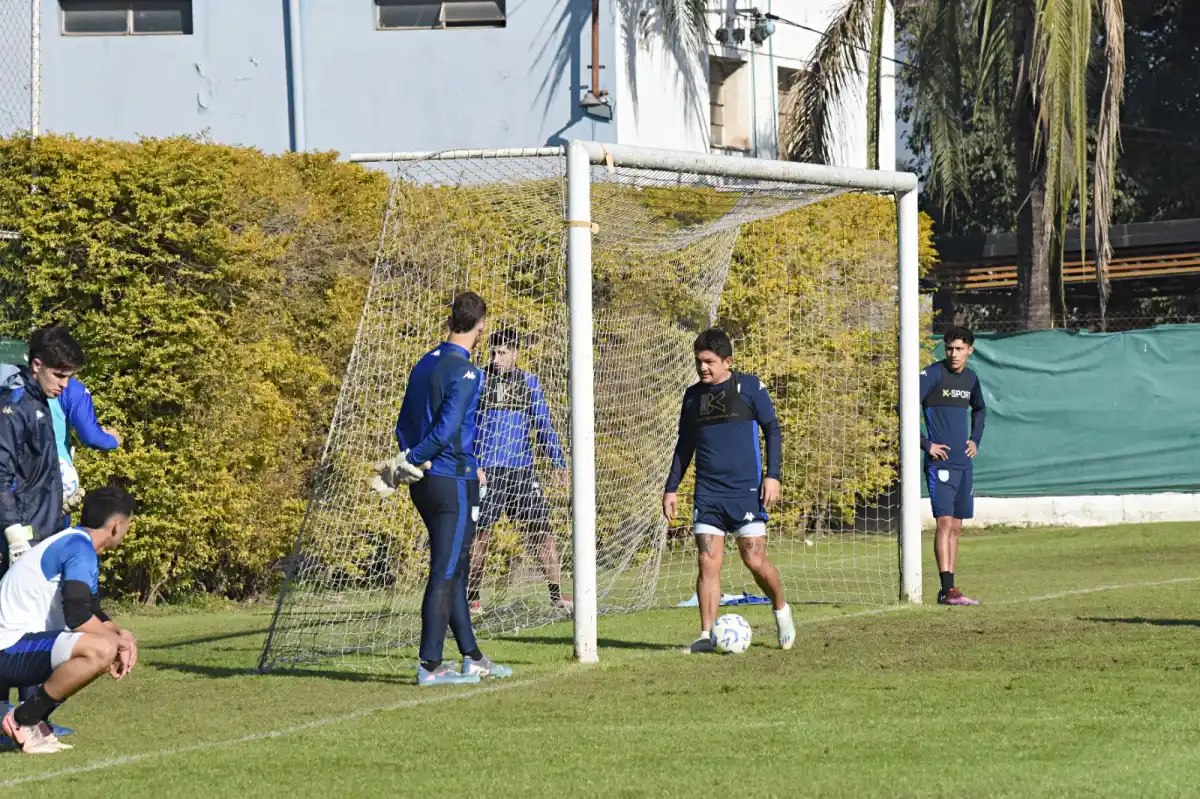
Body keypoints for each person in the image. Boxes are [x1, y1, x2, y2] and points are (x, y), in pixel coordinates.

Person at [389, 292, 512, 686]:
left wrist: (409, 458)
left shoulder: (424, 362)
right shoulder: (467, 372)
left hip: (425, 483)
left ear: (450, 321)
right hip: (452, 482)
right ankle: (429, 665)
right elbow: (445, 431)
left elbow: (402, 423)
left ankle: (472, 657)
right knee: (445, 570)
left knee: (455, 567)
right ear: (481, 326)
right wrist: (415, 457)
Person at [662, 328, 795, 653]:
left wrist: (773, 476)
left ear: (727, 361)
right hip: (708, 494)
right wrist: (671, 488)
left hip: (746, 492)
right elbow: (684, 445)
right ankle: (707, 635)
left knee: (754, 559)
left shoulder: (750, 388)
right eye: (699, 361)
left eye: (709, 361)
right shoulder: (693, 397)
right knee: (707, 561)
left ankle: (781, 609)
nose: (702, 367)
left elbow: (772, 429)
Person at [0, 485, 138, 754]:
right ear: (117, 526)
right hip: (7, 649)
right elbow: (78, 615)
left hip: (14, 645)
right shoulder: (79, 549)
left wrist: (121, 634)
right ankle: (23, 720)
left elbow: (91, 608)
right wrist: (116, 644)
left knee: (107, 644)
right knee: (101, 649)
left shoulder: (76, 542)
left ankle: (29, 719)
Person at [468, 329, 570, 613]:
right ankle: (472, 598)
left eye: (502, 353)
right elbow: (464, 425)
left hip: (522, 471)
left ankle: (556, 596)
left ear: (516, 353)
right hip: (487, 470)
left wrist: (558, 462)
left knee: (542, 532)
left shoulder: (529, 383)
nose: (496, 358)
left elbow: (543, 425)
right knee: (480, 535)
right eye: (493, 353)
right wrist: (472, 463)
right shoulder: (478, 380)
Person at [0, 326, 87, 569]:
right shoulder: (14, 407)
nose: (65, 385)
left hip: (44, 532)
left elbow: (31, 472)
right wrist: (14, 535)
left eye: (69, 377)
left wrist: (57, 504)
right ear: (37, 365)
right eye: (59, 375)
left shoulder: (40, 400)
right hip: (21, 542)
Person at [920, 325, 986, 606]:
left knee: (957, 526)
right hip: (940, 465)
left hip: (963, 463)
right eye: (949, 348)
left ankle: (951, 590)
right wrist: (926, 445)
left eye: (959, 349)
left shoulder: (971, 378)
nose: (954, 354)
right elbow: (903, 407)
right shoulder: (932, 374)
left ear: (970, 350)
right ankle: (946, 590)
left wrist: (975, 439)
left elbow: (980, 409)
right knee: (945, 522)